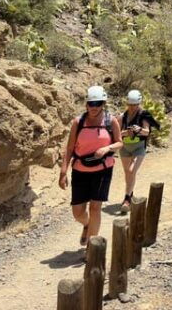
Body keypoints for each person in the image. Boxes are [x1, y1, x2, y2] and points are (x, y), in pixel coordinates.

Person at [59, 85, 123, 246]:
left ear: (103, 104)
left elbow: (119, 143)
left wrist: (107, 148)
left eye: (98, 103)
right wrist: (63, 172)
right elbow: (69, 148)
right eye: (91, 103)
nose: (94, 107)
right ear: (86, 104)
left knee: (95, 207)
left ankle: (92, 246)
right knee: (77, 212)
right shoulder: (78, 122)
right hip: (80, 170)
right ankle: (87, 225)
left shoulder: (111, 121)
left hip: (103, 170)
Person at [118, 90, 151, 214]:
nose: (133, 107)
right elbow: (116, 134)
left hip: (139, 147)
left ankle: (127, 199)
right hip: (125, 147)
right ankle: (130, 195)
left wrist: (139, 130)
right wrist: (126, 132)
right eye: (130, 105)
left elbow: (147, 132)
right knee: (128, 173)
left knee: (132, 171)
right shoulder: (122, 117)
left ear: (139, 103)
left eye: (135, 105)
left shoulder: (144, 116)